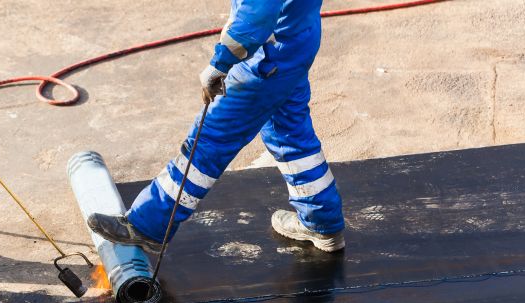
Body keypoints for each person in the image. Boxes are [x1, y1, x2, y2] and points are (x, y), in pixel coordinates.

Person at [88, 0, 345, 254]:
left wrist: (220, 62)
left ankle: (149, 225)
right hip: (295, 44)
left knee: (209, 139)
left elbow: (259, 12)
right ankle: (322, 222)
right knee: (290, 135)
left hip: (265, 60)